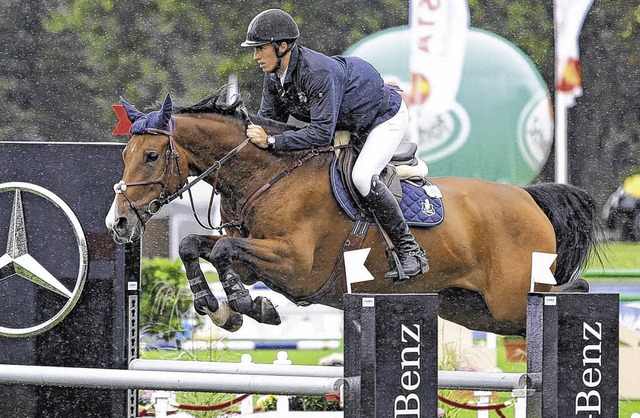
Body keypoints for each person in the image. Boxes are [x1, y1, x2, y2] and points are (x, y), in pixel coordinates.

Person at [242, 9, 428, 282]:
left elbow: (317, 134)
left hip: (382, 119)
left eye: (260, 49)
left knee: (362, 177)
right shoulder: (274, 77)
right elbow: (270, 123)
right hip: (348, 125)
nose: (255, 56)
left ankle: (411, 250)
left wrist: (271, 141)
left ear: (282, 47)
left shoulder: (316, 72)